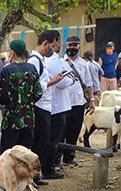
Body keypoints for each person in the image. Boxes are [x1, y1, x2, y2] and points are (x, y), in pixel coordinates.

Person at [29, 30, 67, 179]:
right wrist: (53, 81)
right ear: (45, 43)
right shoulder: (34, 61)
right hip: (39, 106)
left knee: (44, 141)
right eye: (53, 45)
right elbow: (35, 86)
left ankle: (37, 174)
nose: (55, 48)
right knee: (41, 142)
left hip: (45, 105)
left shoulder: (41, 60)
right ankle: (34, 175)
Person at [0, 39, 41, 152]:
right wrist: (28, 103)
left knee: (9, 154)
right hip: (29, 119)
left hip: (11, 121)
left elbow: (3, 98)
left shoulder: (6, 71)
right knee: (25, 153)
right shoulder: (32, 69)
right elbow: (38, 92)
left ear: (12, 53)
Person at [45, 32, 75, 167]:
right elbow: (61, 82)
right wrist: (72, 81)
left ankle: (51, 163)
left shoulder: (51, 60)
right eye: (58, 42)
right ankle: (50, 166)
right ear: (54, 42)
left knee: (55, 138)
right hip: (57, 106)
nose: (59, 45)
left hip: (57, 104)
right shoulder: (53, 60)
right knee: (54, 139)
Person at [63, 36, 93, 164]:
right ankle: (57, 157)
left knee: (74, 131)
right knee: (62, 131)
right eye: (70, 45)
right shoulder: (60, 62)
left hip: (79, 102)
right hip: (64, 103)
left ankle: (69, 157)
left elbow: (88, 83)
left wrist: (91, 100)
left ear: (79, 47)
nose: (72, 48)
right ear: (66, 46)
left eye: (75, 45)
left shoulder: (84, 64)